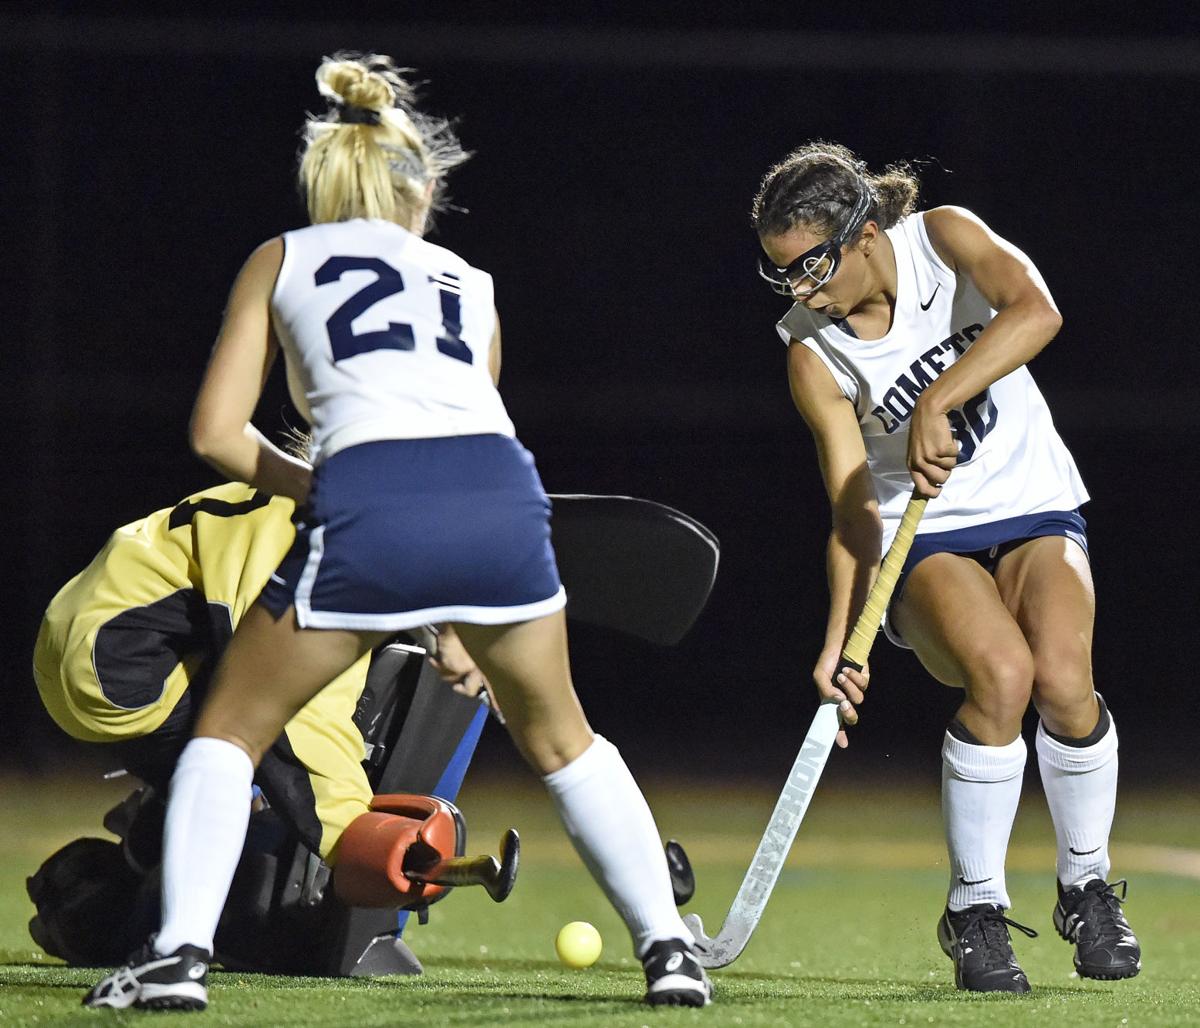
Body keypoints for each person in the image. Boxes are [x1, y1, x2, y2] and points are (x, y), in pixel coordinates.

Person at [84, 53, 709, 1010]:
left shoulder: (283, 255)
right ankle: (670, 952)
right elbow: (462, 440)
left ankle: (175, 961)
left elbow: (215, 433)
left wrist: (315, 484)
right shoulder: (472, 281)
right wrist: (458, 622)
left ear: (331, 187)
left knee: (230, 730)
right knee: (564, 740)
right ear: (421, 198)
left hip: (374, 502)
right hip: (506, 500)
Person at [751, 143, 1140, 993]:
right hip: (926, 538)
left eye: (812, 266)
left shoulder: (946, 237)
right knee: (1002, 676)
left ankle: (1086, 890)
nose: (801, 290)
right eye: (781, 274)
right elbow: (854, 509)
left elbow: (1036, 312)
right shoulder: (814, 354)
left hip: (1035, 506)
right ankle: (975, 910)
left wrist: (937, 398)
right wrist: (840, 640)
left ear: (863, 234)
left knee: (1066, 682)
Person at [33, 480, 491, 970]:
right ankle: (112, 915)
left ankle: (146, 838)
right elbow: (299, 715)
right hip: (121, 665)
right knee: (260, 792)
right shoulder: (328, 539)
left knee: (252, 771)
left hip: (94, 642)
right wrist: (360, 837)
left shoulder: (310, 497)